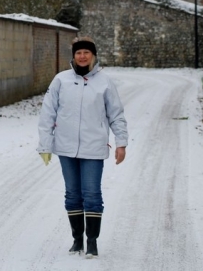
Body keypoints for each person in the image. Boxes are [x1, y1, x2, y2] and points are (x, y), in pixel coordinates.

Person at [37, 36, 128, 259]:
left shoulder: (104, 82)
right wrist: (45, 145)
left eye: (87, 52)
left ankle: (92, 241)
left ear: (93, 55)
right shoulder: (60, 80)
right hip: (66, 147)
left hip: (93, 147)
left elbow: (116, 114)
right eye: (79, 52)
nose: (83, 56)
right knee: (72, 194)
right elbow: (47, 113)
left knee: (92, 194)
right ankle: (77, 240)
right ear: (74, 56)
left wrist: (121, 143)